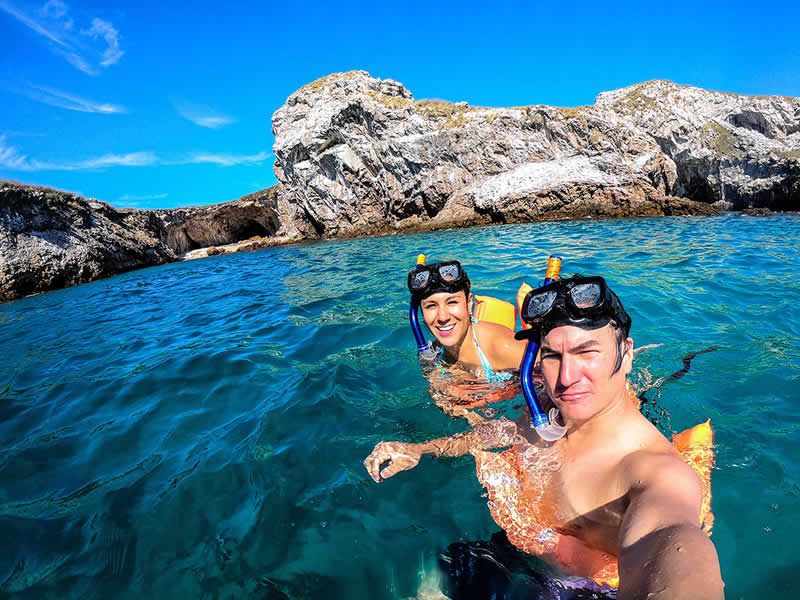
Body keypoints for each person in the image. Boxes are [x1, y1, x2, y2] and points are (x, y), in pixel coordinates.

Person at [365, 275, 724, 599]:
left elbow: (675, 547)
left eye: (587, 352)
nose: (566, 377)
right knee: (437, 576)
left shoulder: (654, 472)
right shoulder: (549, 414)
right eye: (552, 356)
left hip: (584, 590)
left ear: (626, 354)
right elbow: (499, 432)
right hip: (520, 555)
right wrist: (421, 448)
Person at [408, 259, 527, 423]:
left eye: (452, 302)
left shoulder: (503, 346)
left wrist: (495, 394)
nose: (442, 317)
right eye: (431, 306)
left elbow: (551, 384)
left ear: (469, 302)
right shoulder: (434, 351)